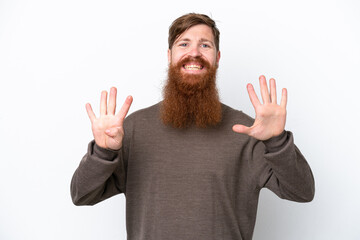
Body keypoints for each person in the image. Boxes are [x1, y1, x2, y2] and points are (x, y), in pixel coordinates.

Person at [71, 13, 315, 240]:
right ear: (170, 56)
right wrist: (103, 152)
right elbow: (81, 195)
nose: (194, 53)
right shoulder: (133, 129)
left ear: (217, 58)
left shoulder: (248, 131)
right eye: (184, 44)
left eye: (205, 45)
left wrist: (276, 140)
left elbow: (302, 191)